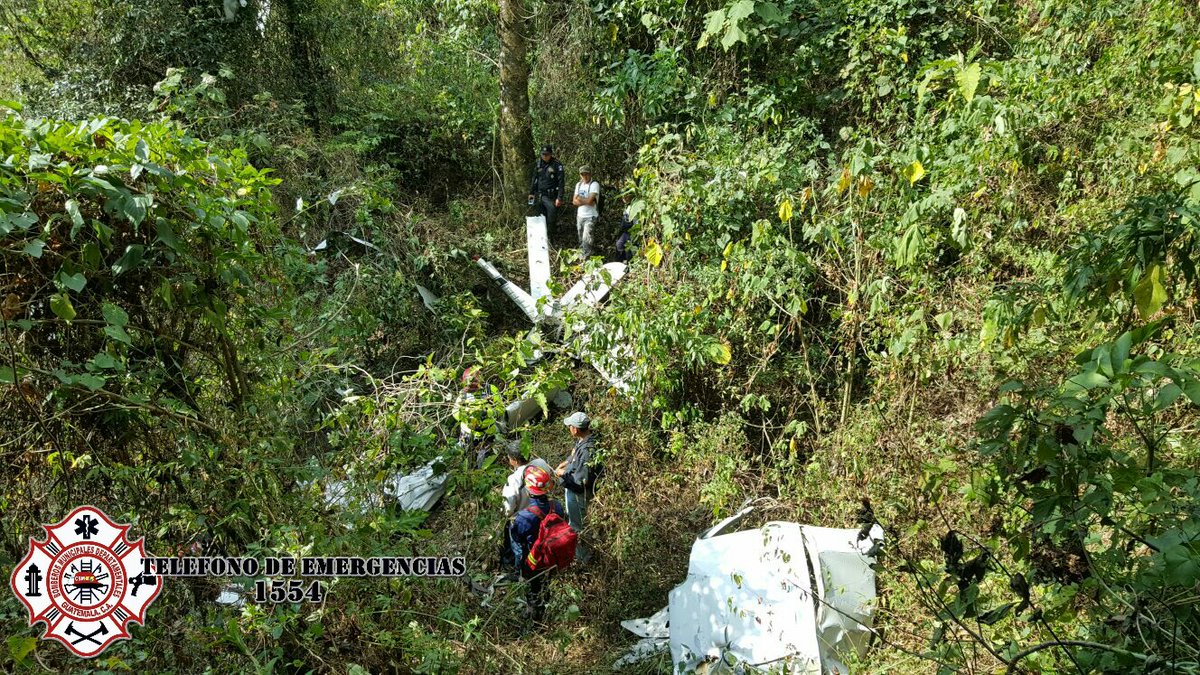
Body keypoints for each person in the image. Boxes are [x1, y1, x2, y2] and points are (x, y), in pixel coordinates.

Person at [509, 465, 565, 621]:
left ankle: (534, 614)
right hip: (553, 554)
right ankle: (547, 603)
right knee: (547, 582)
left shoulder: (524, 517)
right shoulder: (557, 506)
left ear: (528, 490)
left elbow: (517, 539)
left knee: (533, 585)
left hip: (534, 559)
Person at [498, 444, 553, 570]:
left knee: (519, 547)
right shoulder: (541, 464)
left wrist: (505, 515)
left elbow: (508, 508)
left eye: (509, 457)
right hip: (543, 511)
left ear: (514, 460)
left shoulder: (513, 479)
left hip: (523, 519)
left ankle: (520, 570)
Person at [555, 411, 599, 562]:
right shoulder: (584, 440)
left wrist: (562, 473)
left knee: (577, 524)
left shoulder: (587, 450)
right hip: (574, 491)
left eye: (570, 426)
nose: (569, 428)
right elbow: (574, 455)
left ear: (575, 429)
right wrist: (565, 463)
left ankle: (583, 557)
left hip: (578, 494)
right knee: (577, 522)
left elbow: (580, 481)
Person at [528, 144, 564, 231]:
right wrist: (531, 193)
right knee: (540, 217)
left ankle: (550, 235)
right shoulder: (538, 164)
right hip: (540, 195)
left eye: (547, 154)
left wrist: (559, 197)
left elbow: (561, 182)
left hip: (552, 195)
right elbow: (534, 179)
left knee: (551, 217)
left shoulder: (556, 164)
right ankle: (543, 235)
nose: (545, 156)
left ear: (551, 154)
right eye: (543, 154)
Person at [571, 166, 600, 258]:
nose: (585, 176)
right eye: (583, 174)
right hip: (580, 216)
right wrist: (586, 201)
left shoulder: (594, 184)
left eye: (586, 174)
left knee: (586, 240)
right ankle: (584, 258)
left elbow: (589, 201)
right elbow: (574, 201)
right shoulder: (578, 185)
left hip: (590, 216)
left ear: (590, 174)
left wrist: (579, 198)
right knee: (581, 240)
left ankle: (586, 260)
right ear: (580, 175)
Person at [614, 191, 635, 262]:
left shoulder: (634, 206)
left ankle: (629, 264)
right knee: (619, 245)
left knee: (629, 251)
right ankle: (622, 262)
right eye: (623, 197)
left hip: (631, 233)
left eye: (626, 196)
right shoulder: (627, 206)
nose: (624, 198)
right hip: (625, 232)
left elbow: (636, 222)